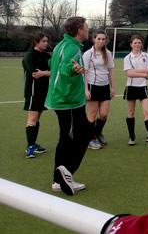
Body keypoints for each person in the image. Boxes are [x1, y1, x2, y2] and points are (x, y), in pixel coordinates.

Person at [45, 16, 91, 196]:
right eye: (86, 27)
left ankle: (58, 179)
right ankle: (64, 173)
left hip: (65, 99)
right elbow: (66, 68)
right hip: (68, 101)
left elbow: (53, 65)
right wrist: (74, 69)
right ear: (79, 30)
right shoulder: (71, 48)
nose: (88, 30)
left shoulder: (61, 46)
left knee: (67, 137)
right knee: (79, 136)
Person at [123, 35, 148, 147]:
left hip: (143, 88)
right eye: (135, 42)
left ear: (142, 44)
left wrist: (137, 71)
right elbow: (129, 73)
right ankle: (132, 136)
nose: (137, 44)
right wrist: (143, 74)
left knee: (147, 112)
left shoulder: (146, 56)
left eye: (139, 42)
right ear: (131, 44)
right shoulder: (128, 58)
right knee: (131, 112)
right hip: (131, 87)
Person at [83, 30, 115, 150]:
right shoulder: (88, 54)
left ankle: (98, 132)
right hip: (92, 86)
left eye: (103, 39)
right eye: (99, 39)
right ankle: (91, 139)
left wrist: (113, 87)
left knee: (104, 114)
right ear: (94, 39)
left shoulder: (108, 53)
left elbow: (111, 71)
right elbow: (84, 73)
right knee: (92, 114)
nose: (101, 41)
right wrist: (86, 90)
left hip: (105, 87)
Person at [22, 32, 50, 158]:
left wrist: (44, 73)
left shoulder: (46, 55)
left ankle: (33, 143)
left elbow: (55, 71)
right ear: (36, 42)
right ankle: (29, 147)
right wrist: (46, 73)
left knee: (37, 118)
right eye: (43, 41)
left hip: (44, 90)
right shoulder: (29, 56)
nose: (46, 43)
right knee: (32, 119)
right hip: (33, 91)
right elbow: (34, 74)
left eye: (46, 41)